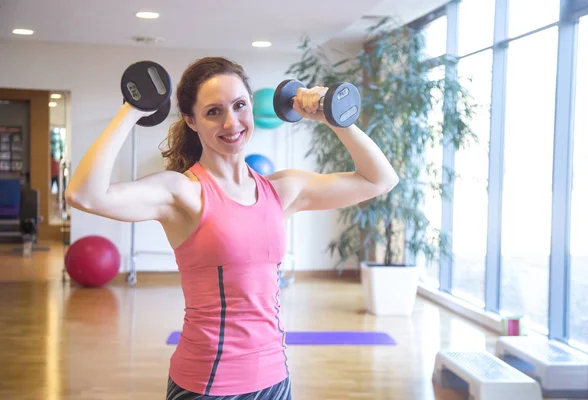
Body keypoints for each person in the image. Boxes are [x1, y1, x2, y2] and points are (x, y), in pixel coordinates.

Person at [65, 57, 398, 400]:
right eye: (213, 112)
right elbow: (84, 194)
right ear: (191, 121)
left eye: (240, 105)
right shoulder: (183, 193)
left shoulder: (281, 190)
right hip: (207, 385)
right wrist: (133, 108)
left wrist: (334, 117)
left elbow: (380, 180)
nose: (231, 121)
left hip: (275, 379)